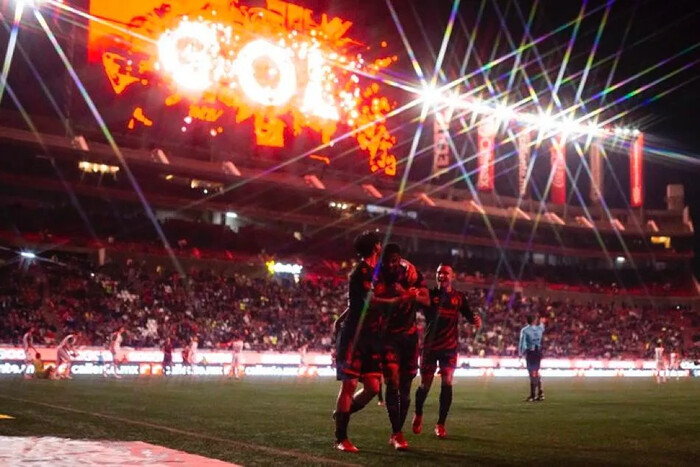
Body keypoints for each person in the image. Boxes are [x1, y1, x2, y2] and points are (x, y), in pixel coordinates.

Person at [332, 231, 417, 453]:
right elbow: (370, 303)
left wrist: (337, 320)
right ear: (376, 247)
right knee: (349, 385)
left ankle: (341, 414)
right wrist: (401, 298)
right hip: (355, 335)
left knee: (372, 387)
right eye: (379, 243)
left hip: (371, 337)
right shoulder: (361, 271)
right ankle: (341, 437)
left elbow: (354, 303)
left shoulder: (372, 272)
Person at [413, 263, 481, 438]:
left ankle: (441, 423)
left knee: (447, 382)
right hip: (430, 347)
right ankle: (418, 413)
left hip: (449, 347)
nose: (442, 276)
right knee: (425, 385)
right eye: (439, 273)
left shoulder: (459, 297)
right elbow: (414, 304)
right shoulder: (430, 294)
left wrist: (475, 320)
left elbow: (469, 314)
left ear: (452, 277)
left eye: (445, 273)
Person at [377, 243, 429, 450]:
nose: (392, 264)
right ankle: (398, 433)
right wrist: (399, 296)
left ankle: (396, 432)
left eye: (395, 260)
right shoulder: (376, 275)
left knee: (406, 390)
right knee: (393, 382)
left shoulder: (410, 272)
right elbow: (372, 302)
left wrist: (409, 294)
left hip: (409, 337)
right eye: (388, 260)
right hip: (387, 337)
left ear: (399, 259)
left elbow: (426, 299)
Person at [518, 315, 546, 401]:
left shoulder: (525, 330)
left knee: (532, 373)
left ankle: (533, 395)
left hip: (531, 352)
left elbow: (522, 342)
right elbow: (542, 325)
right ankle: (540, 393)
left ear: (527, 321)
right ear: (534, 320)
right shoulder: (539, 329)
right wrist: (541, 322)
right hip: (538, 352)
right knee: (536, 372)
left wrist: (520, 353)